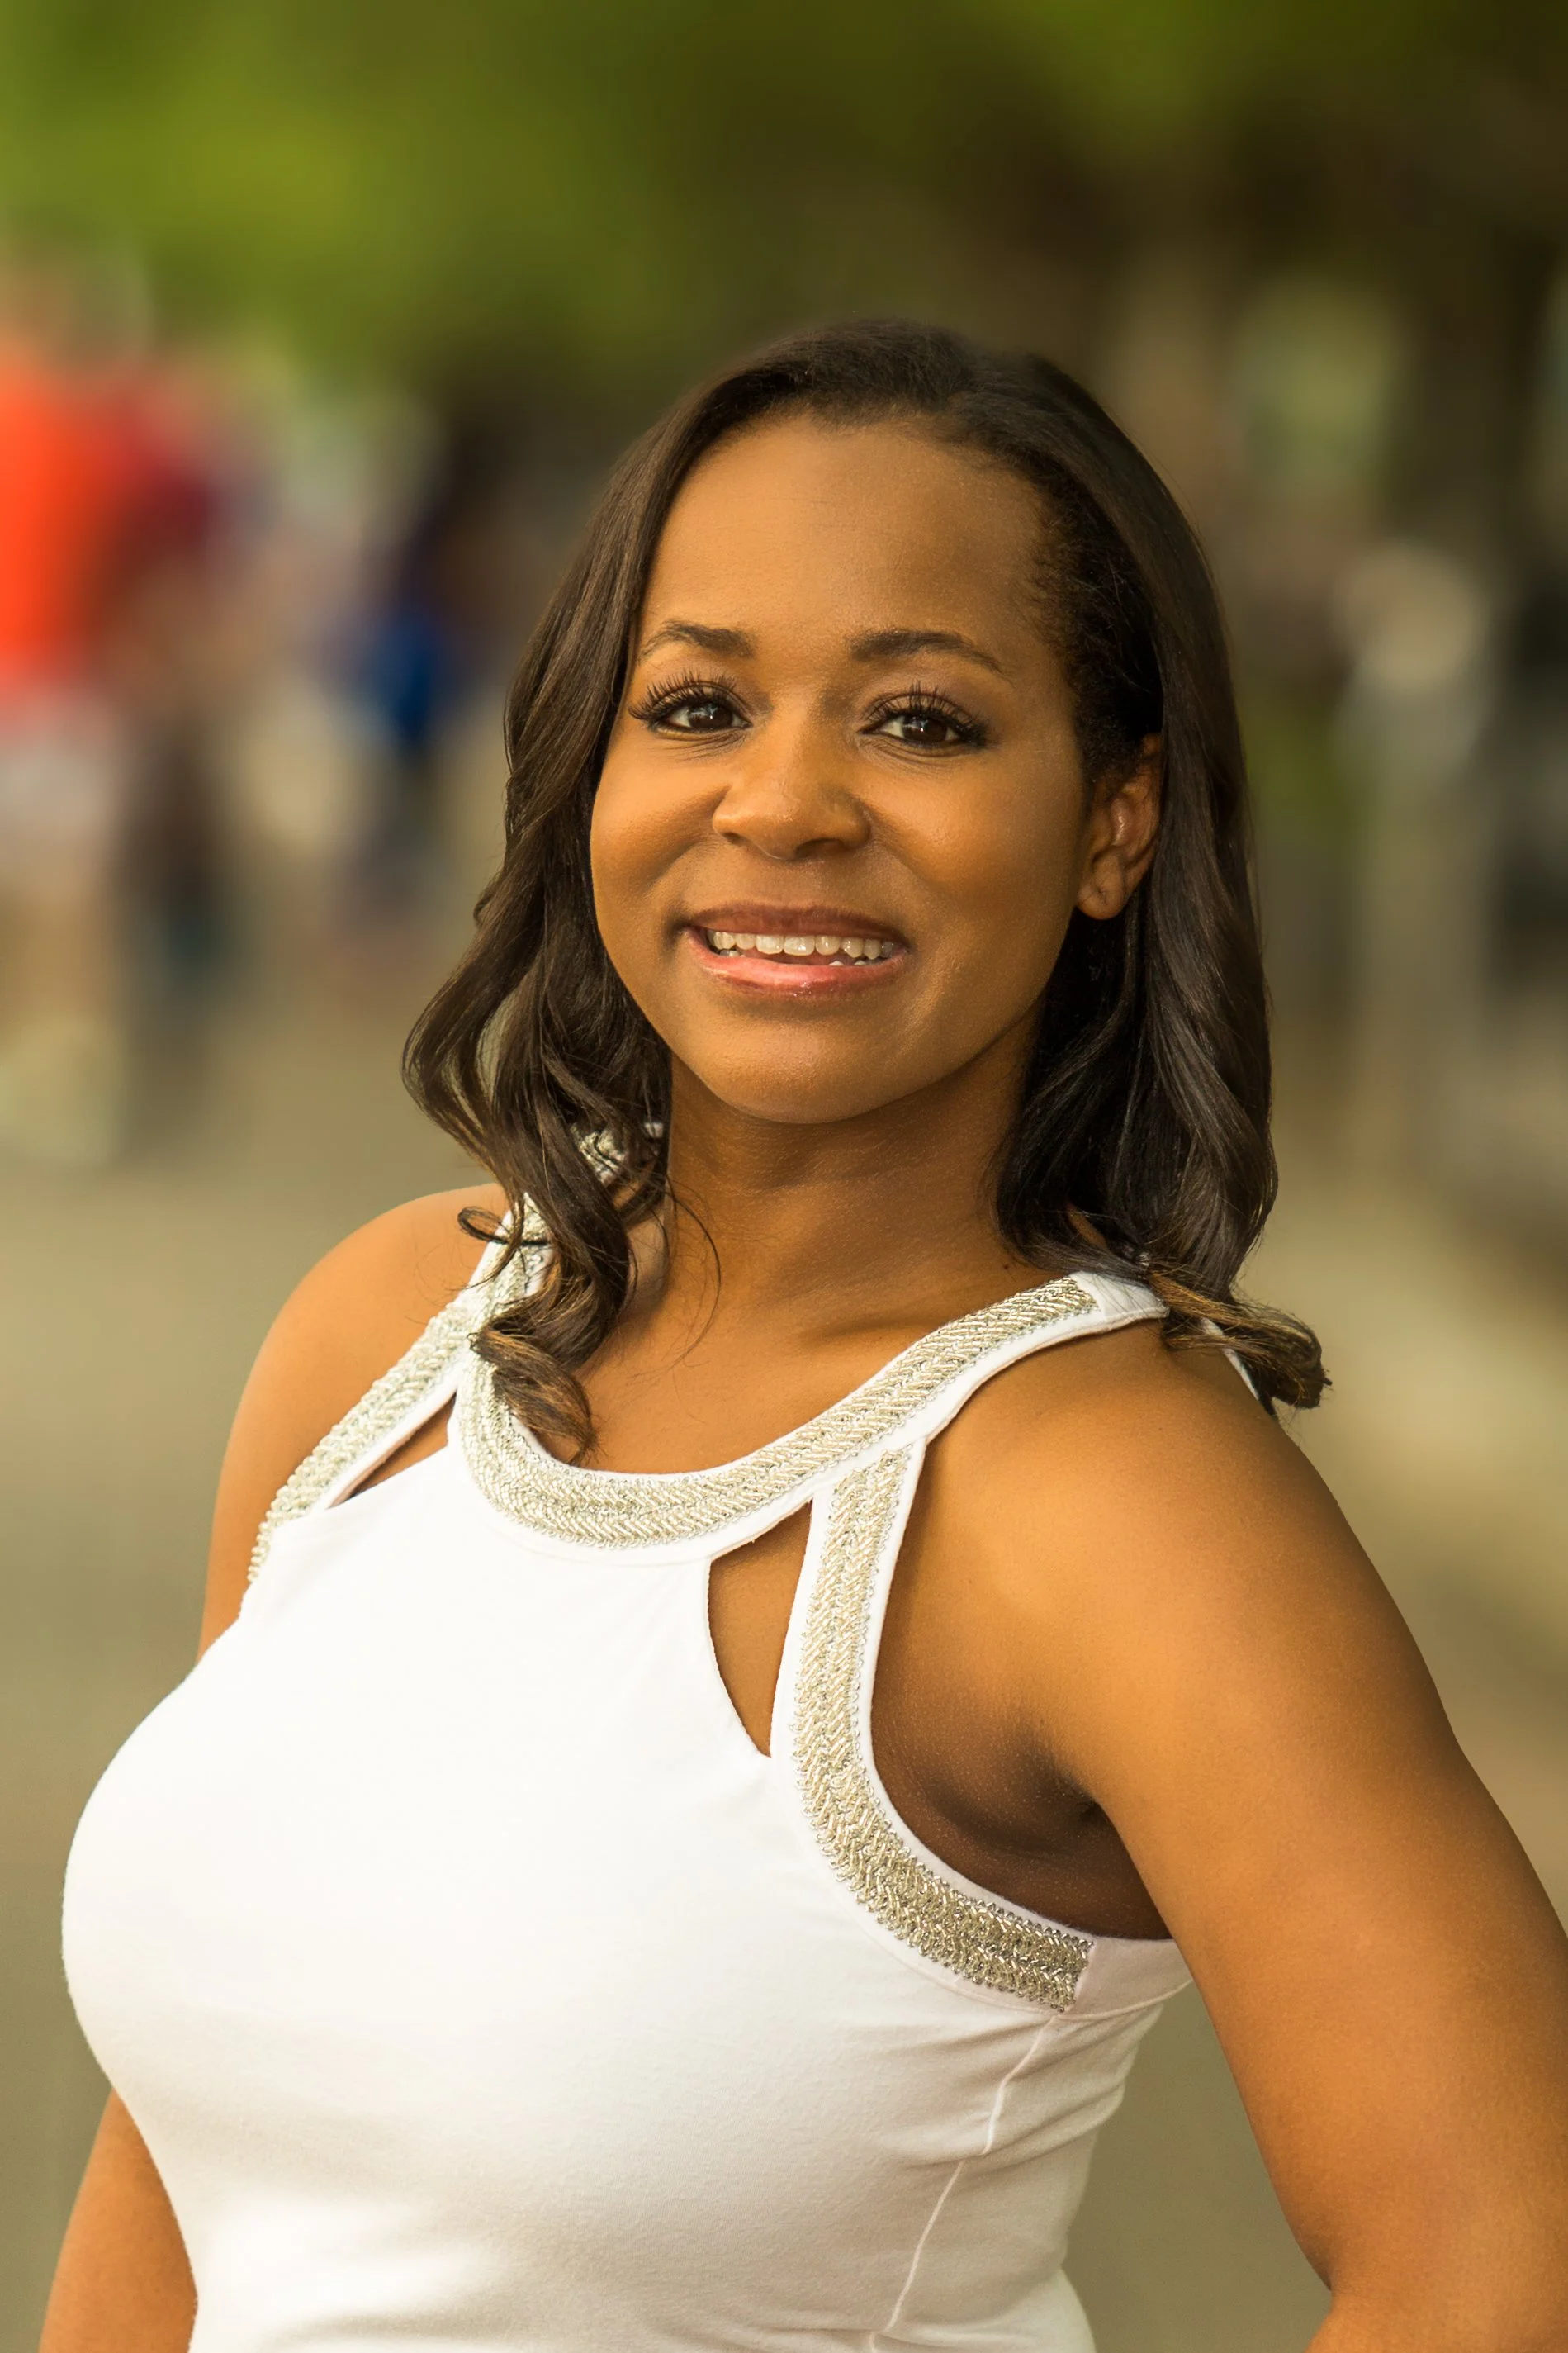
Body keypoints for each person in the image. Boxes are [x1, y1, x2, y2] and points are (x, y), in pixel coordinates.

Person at [44, 322, 1568, 2352]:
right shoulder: (391, 1329)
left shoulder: (1105, 1493)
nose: (781, 802)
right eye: (697, 703)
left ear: (1112, 820)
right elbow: (184, 2144)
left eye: (920, 720)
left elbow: (1504, 2245)